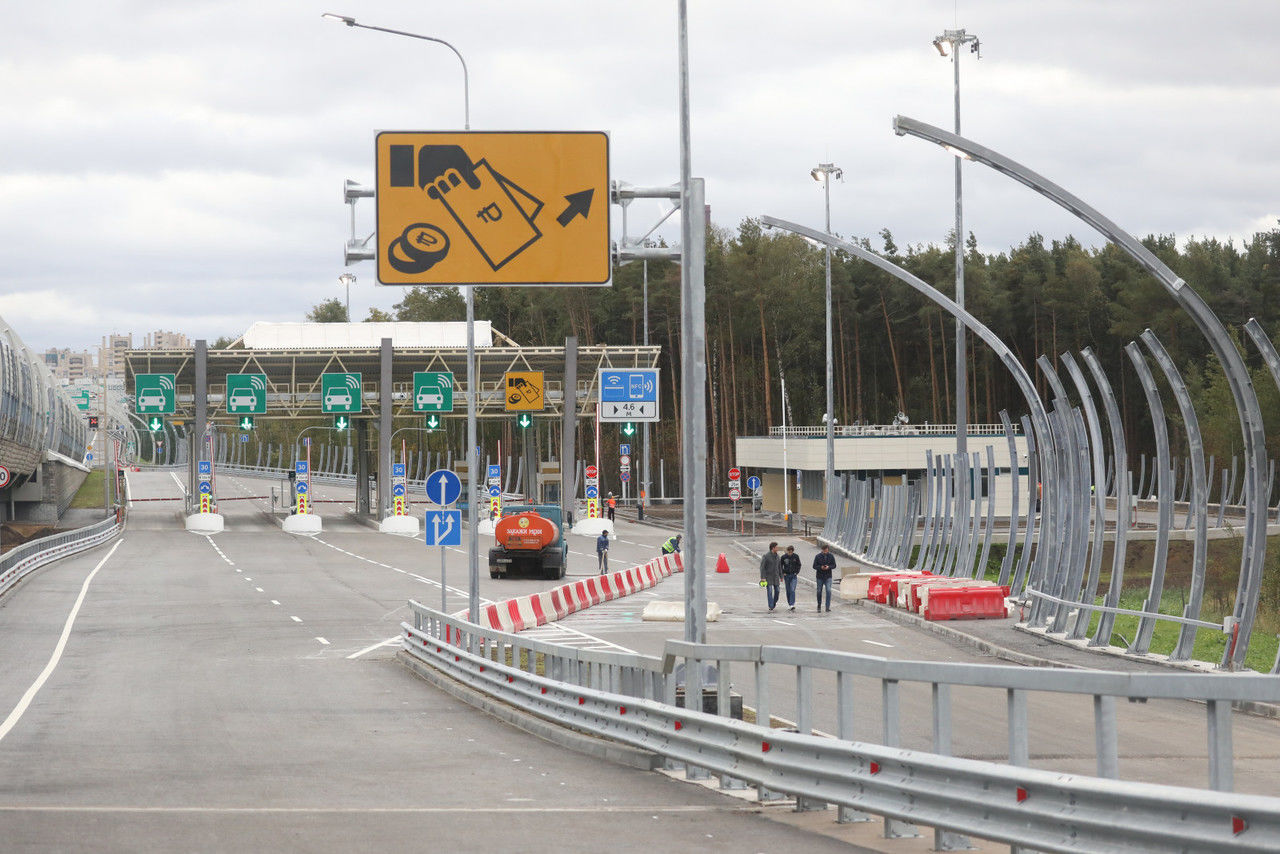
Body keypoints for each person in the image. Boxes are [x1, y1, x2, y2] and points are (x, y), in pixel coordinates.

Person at [813, 544, 836, 612]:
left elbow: (834, 565)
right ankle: (819, 604)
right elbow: (814, 566)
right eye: (824, 550)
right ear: (822, 550)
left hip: (828, 576)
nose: (825, 552)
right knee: (819, 591)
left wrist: (829, 567)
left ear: (828, 549)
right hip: (820, 576)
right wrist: (821, 567)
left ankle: (827, 606)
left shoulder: (831, 556)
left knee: (828, 591)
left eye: (826, 550)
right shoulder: (817, 556)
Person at [758, 542, 781, 612]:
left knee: (777, 591)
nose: (778, 548)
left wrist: (781, 576)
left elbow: (779, 567)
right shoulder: (766, 556)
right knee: (770, 591)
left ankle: (774, 603)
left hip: (776, 577)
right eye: (776, 547)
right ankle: (770, 606)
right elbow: (762, 567)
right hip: (768, 577)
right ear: (773, 548)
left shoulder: (778, 557)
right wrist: (763, 577)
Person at [779, 545, 801, 611]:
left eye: (791, 552)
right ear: (787, 551)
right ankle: (789, 603)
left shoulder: (796, 556)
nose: (790, 553)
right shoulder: (783, 557)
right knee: (788, 590)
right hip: (787, 576)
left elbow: (799, 565)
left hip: (793, 575)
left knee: (792, 589)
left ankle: (792, 604)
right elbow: (780, 565)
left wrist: (796, 572)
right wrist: (783, 573)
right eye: (789, 552)